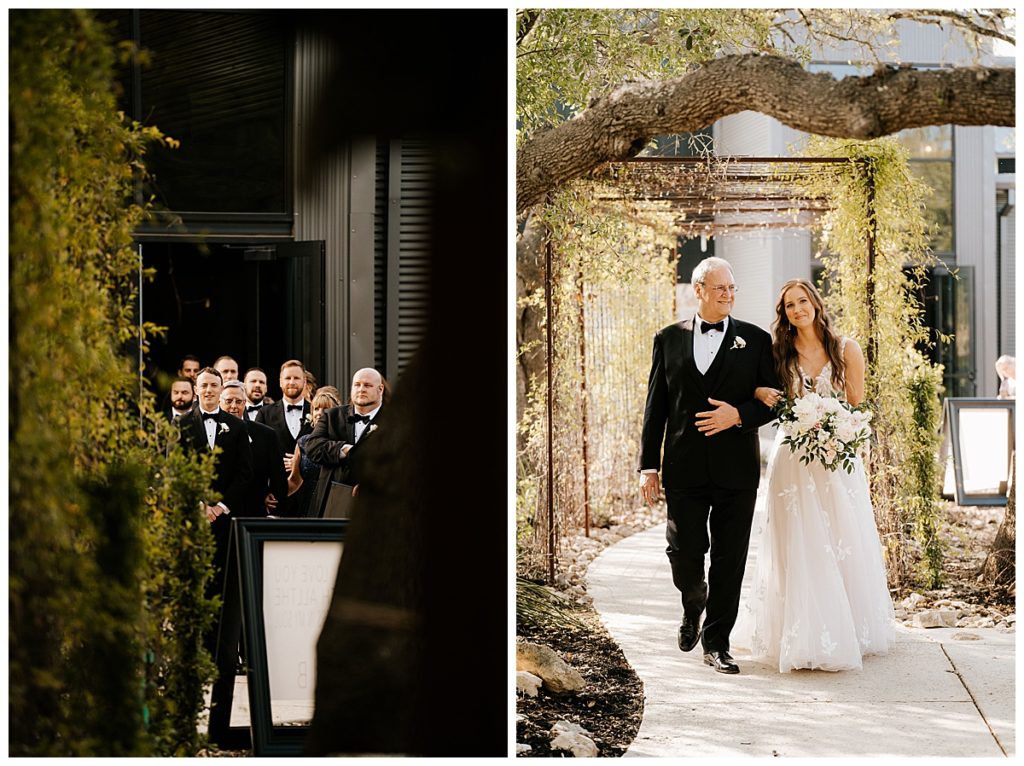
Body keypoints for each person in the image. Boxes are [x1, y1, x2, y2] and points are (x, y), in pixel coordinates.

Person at [734, 278, 896, 672]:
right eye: (789, 305)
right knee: (798, 540)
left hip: (835, 458)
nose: (797, 310)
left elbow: (856, 407)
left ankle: (848, 628)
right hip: (792, 457)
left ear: (815, 303)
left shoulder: (846, 349)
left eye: (802, 301)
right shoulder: (779, 354)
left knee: (841, 538)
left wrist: (837, 432)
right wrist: (759, 395)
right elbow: (767, 395)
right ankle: (799, 630)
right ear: (784, 314)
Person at [639, 256, 778, 675]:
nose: (729, 295)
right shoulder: (668, 339)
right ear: (698, 290)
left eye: (733, 289)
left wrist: (738, 415)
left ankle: (717, 642)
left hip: (736, 469)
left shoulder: (755, 341)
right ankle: (693, 600)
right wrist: (649, 466)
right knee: (683, 551)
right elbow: (655, 407)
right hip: (683, 467)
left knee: (729, 559)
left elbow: (772, 401)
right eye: (721, 288)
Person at [177, 367, 253, 628]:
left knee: (224, 587)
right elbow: (174, 470)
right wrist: (198, 504)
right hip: (192, 521)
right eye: (204, 385)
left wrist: (219, 507)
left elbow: (245, 473)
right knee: (192, 584)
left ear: (221, 390)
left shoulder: (237, 426)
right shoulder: (180, 425)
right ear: (196, 390)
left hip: (226, 520)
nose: (209, 390)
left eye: (213, 385)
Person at [306, 368, 386, 518]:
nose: (361, 389)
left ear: (380, 389)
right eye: (357, 385)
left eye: (367, 385)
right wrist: (344, 449)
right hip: (331, 502)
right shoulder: (332, 416)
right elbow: (312, 446)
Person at [220, 380, 287, 518]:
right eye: (228, 401)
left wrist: (273, 507)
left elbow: (279, 480)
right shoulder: (209, 433)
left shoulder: (266, 435)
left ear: (245, 403)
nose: (233, 406)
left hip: (254, 513)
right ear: (220, 402)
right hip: (218, 513)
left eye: (238, 401)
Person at [255, 359, 313, 516]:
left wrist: (300, 460)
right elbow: (257, 457)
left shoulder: (318, 412)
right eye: (287, 378)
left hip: (311, 497)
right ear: (280, 382)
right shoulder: (265, 413)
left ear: (304, 381)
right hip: (276, 497)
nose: (292, 382)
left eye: (296, 378)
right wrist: (263, 493)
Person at [288, 386, 343, 517]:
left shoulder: (343, 442)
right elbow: (294, 481)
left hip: (335, 509)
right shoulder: (303, 443)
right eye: (316, 409)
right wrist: (271, 494)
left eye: (325, 409)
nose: (319, 413)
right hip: (307, 508)